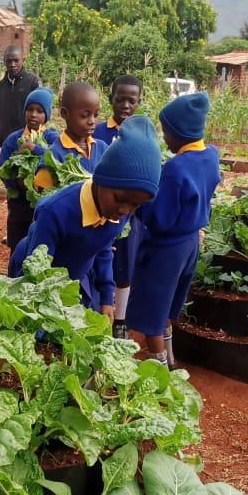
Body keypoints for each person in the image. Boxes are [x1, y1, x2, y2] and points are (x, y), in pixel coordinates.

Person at [8, 115, 162, 314]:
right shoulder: (55, 212)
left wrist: (107, 298)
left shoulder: (118, 211)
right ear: (100, 179)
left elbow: (104, 247)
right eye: (120, 199)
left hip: (78, 279)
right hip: (37, 279)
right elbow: (36, 274)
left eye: (135, 205)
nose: (125, 210)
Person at [126, 92, 221, 369]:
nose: (164, 137)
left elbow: (160, 217)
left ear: (180, 132)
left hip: (166, 247)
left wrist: (136, 204)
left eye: (166, 131)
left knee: (151, 308)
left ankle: (159, 368)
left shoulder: (176, 167)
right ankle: (170, 357)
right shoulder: (211, 155)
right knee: (168, 304)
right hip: (191, 244)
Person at [93, 76, 143, 339]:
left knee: (124, 267)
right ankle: (99, 310)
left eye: (131, 100)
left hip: (129, 216)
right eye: (120, 99)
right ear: (110, 98)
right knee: (100, 260)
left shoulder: (142, 136)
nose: (125, 105)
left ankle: (120, 320)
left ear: (139, 103)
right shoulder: (99, 132)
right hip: (100, 213)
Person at [0, 87, 59, 251]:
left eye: (39, 111)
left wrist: (34, 149)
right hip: (18, 202)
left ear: (47, 115)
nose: (34, 114)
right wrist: (17, 184)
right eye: (30, 109)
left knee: (39, 247)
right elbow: (2, 168)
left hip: (44, 202)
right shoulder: (13, 139)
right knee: (17, 244)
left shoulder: (53, 138)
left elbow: (59, 158)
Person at [32, 81, 108, 192]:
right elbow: (43, 201)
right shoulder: (54, 156)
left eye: (96, 115)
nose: (92, 121)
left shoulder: (103, 148)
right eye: (84, 115)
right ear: (64, 114)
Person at [0, 45, 42, 147]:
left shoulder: (33, 83)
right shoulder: (1, 87)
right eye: (9, 61)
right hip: (4, 143)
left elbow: (42, 114)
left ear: (22, 60)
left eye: (16, 60)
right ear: (4, 61)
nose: (12, 64)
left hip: (26, 143)